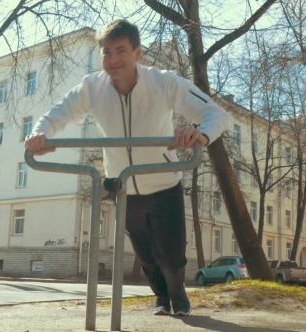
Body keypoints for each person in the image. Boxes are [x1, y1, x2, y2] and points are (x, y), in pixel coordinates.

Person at [25, 19, 229, 316]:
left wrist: (200, 133)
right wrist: (39, 134)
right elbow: (56, 113)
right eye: (106, 52)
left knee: (171, 257)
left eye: (120, 50)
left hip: (163, 184)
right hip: (122, 186)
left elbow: (214, 113)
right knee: (145, 255)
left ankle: (179, 297)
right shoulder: (91, 87)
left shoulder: (164, 82)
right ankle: (161, 298)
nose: (113, 59)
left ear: (138, 53)